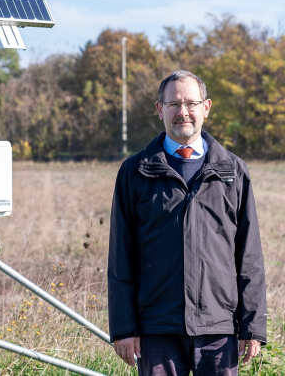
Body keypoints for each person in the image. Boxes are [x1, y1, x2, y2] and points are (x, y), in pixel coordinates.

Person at [107, 70, 267, 376]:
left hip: (218, 326)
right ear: (160, 109)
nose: (183, 112)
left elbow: (250, 256)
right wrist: (123, 327)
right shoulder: (134, 172)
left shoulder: (233, 170)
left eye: (191, 103)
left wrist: (252, 326)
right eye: (174, 104)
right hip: (156, 327)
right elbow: (120, 260)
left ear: (206, 107)